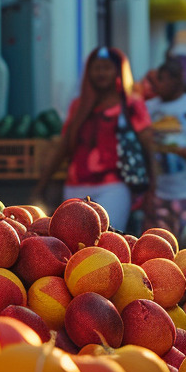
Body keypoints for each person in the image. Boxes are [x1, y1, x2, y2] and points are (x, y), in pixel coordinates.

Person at [33, 46, 155, 232]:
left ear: (118, 70)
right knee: (72, 242)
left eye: (107, 67)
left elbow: (149, 147)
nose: (101, 73)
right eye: (96, 67)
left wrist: (152, 189)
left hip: (114, 186)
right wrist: (42, 184)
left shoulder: (132, 104)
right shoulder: (78, 105)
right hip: (75, 186)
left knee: (107, 239)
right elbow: (64, 147)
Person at [144, 57, 186, 238]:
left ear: (177, 80)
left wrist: (185, 153)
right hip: (158, 193)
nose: (157, 85)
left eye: (162, 79)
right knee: (160, 243)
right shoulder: (149, 108)